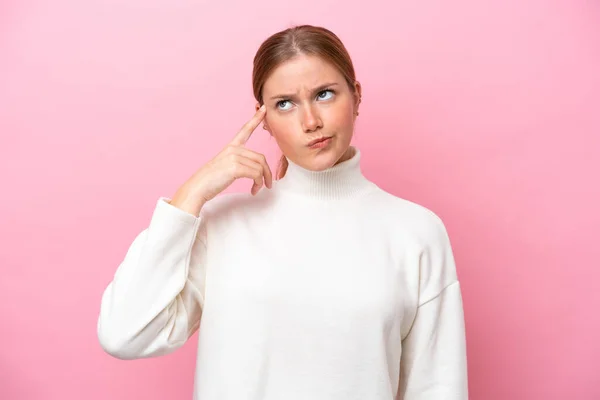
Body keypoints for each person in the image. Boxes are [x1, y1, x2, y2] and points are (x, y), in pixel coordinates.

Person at [97, 24, 468, 400]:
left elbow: (437, 387)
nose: (310, 122)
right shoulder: (222, 225)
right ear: (264, 120)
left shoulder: (415, 232)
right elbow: (124, 333)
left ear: (356, 96)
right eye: (285, 104)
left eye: (324, 94)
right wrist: (190, 196)